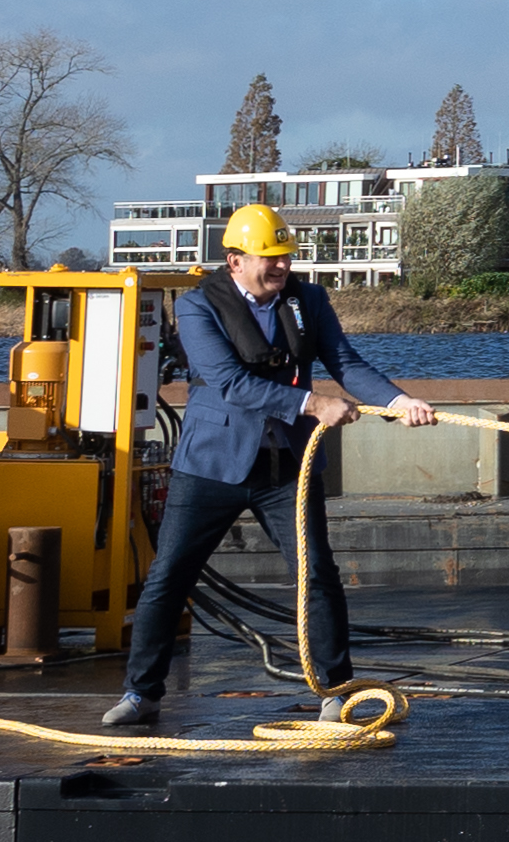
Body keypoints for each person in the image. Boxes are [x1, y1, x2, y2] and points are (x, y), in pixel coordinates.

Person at [108, 202, 439, 731]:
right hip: (211, 464)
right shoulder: (198, 307)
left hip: (287, 466)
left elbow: (345, 362)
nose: (281, 267)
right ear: (235, 260)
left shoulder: (308, 298)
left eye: (285, 257)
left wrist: (398, 402)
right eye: (270, 257)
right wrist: (313, 403)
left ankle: (336, 692)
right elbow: (230, 383)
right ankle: (142, 692)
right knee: (169, 577)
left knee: (316, 576)